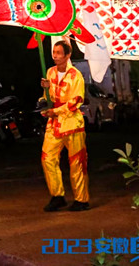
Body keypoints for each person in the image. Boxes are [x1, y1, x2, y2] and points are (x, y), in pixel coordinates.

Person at [40, 40, 90, 212]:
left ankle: (81, 199)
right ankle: (57, 195)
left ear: (68, 55)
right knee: (47, 158)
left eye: (59, 53)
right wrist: (45, 95)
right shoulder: (50, 72)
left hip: (72, 124)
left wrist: (55, 111)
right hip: (54, 124)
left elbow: (76, 101)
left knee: (77, 162)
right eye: (54, 52)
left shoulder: (76, 75)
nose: (55, 56)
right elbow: (49, 97)